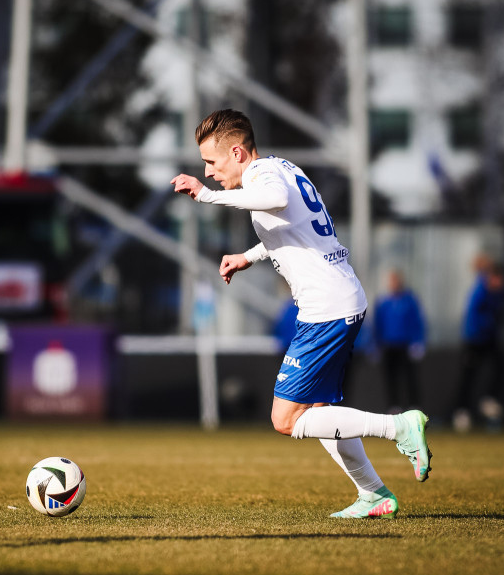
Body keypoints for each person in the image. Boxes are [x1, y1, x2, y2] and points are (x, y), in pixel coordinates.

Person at [171, 109, 432, 519]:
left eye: (211, 161)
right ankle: (374, 495)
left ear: (237, 152)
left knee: (285, 419)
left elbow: (273, 201)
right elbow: (293, 227)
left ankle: (398, 427)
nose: (208, 170)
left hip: (327, 307)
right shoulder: (282, 167)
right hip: (337, 300)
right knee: (319, 411)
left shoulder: (261, 177)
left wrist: (206, 195)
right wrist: (247, 256)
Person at [453, 256, 504, 432]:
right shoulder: (480, 290)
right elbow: (473, 316)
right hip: (474, 339)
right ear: (492, 277)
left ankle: (489, 400)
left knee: (501, 366)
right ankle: (462, 413)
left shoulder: (499, 292)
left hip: (489, 338)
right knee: (468, 376)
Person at [373, 269, 426, 412]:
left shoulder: (409, 300)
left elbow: (417, 322)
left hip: (405, 345)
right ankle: (393, 406)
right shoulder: (383, 302)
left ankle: (413, 406)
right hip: (388, 346)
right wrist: (376, 345)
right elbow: (378, 324)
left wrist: (418, 341)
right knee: (391, 378)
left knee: (409, 378)